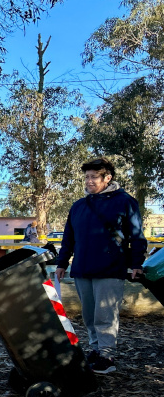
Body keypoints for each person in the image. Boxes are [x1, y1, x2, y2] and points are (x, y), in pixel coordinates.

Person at [55, 158, 146, 374]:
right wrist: (62, 262)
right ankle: (95, 349)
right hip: (82, 268)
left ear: (108, 178)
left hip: (110, 268)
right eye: (86, 177)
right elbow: (69, 237)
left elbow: (137, 235)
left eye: (94, 177)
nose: (89, 181)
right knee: (88, 314)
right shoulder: (78, 206)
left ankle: (107, 355)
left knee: (105, 314)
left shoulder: (125, 202)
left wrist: (136, 264)